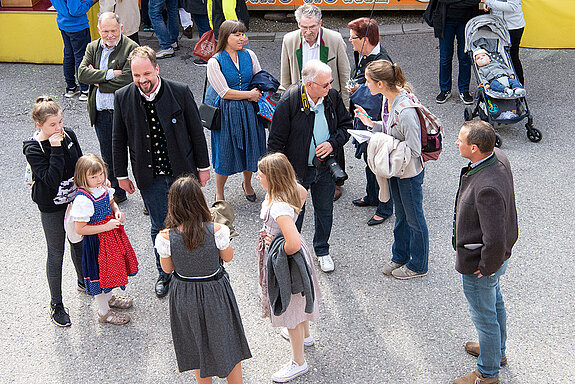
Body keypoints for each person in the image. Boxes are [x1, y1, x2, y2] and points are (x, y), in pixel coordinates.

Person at [112, 45, 211, 298]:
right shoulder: (123, 97)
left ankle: (192, 267)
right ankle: (164, 273)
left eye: (146, 74)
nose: (142, 80)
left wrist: (203, 167)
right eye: (136, 76)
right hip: (150, 176)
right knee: (160, 225)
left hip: (182, 173)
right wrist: (121, 175)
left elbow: (197, 132)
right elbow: (117, 138)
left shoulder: (180, 91)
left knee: (190, 220)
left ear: (157, 68)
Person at [155, 176, 251, 383]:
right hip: (215, 291)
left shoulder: (164, 236)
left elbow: (167, 268)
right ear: (200, 201)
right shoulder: (218, 230)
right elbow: (228, 257)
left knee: (196, 346)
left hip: (185, 294)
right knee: (228, 342)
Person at [268, 60, 351, 273]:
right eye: (325, 85)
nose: (330, 88)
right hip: (296, 173)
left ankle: (322, 251)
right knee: (295, 215)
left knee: (325, 211)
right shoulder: (290, 101)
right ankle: (293, 254)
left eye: (330, 83)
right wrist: (279, 177)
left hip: (324, 169)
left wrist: (332, 143)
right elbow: (275, 142)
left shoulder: (331, 97)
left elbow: (346, 126)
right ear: (310, 85)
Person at [453, 120, 518, 384]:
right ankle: (496, 351)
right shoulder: (497, 156)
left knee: (485, 316)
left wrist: (486, 266)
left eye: (461, 140)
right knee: (495, 302)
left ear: (476, 148)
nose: (457, 143)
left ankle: (488, 373)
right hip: (496, 259)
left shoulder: (487, 186)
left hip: (483, 263)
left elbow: (494, 236)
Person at [354, 60, 429, 279]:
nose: (365, 85)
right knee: (401, 217)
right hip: (396, 168)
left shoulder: (405, 111)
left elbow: (415, 149)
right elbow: (389, 130)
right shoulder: (390, 100)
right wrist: (371, 125)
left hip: (408, 172)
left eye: (368, 81)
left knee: (414, 219)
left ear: (380, 83)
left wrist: (382, 141)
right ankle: (400, 256)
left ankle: (418, 265)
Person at [256, 153, 320, 383]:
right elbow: (301, 194)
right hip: (297, 254)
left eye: (261, 175)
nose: (257, 177)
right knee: (299, 299)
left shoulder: (278, 208)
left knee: (291, 306)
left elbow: (291, 243)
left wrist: (276, 245)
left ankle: (298, 362)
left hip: (287, 261)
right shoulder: (294, 190)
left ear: (273, 178)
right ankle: (306, 336)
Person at [23, 97, 85, 327]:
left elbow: (79, 164)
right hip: (51, 206)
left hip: (75, 202)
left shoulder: (68, 135)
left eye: (60, 122)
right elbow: (50, 179)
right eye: (52, 125)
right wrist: (56, 148)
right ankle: (56, 304)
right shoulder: (33, 147)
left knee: (78, 243)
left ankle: (83, 281)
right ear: (40, 125)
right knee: (56, 252)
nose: (59, 128)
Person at [280, 4, 351, 201]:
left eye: (312, 27)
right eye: (304, 27)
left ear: (320, 23)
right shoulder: (289, 40)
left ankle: (336, 181)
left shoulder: (334, 39)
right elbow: (286, 76)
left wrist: (345, 103)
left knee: (332, 138)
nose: (308, 32)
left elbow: (344, 74)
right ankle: (303, 176)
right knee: (302, 138)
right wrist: (286, 103)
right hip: (301, 98)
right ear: (298, 24)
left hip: (329, 98)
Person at [78, 12, 139, 206]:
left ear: (121, 28)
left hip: (126, 113)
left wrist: (99, 82)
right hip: (102, 114)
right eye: (105, 31)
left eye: (113, 30)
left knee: (138, 153)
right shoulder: (92, 47)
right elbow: (82, 74)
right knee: (108, 155)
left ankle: (148, 195)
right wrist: (111, 74)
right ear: (99, 30)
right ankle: (117, 193)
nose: (110, 35)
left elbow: (129, 80)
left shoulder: (132, 48)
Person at [70, 154, 138, 325]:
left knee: (111, 271)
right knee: (100, 277)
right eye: (93, 177)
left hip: (110, 238)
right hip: (96, 243)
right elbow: (80, 229)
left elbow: (112, 202)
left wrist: (116, 211)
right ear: (82, 177)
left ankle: (109, 298)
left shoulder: (102, 188)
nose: (99, 179)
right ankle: (103, 312)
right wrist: (106, 227)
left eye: (101, 174)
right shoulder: (83, 199)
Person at [206, 20, 266, 202]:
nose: (242, 38)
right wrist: (250, 94)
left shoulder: (250, 55)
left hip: (249, 112)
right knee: (224, 152)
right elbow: (224, 92)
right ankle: (219, 192)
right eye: (237, 35)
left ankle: (247, 184)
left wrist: (261, 89)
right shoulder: (214, 62)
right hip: (227, 112)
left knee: (251, 149)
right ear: (226, 37)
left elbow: (259, 77)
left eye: (243, 34)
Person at [347, 17, 394, 226]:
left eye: (353, 38)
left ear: (365, 39)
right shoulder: (362, 53)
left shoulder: (383, 62)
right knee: (369, 160)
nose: (350, 41)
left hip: (377, 120)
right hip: (364, 118)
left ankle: (385, 207)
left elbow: (379, 97)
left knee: (380, 164)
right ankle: (372, 195)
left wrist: (359, 91)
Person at [428, 0, 481, 104]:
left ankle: (464, 90)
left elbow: (475, 1)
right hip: (445, 21)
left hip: (467, 21)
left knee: (465, 57)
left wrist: (451, 2)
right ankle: (445, 89)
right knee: (445, 58)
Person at [50, 0, 96, 101]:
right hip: (77, 26)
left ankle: (70, 87)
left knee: (68, 55)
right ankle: (85, 89)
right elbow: (75, 10)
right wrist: (89, 2)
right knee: (81, 57)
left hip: (63, 23)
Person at [483, 0, 526, 85]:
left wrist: (489, 2)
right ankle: (503, 85)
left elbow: (512, 7)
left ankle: (519, 85)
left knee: (512, 57)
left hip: (513, 27)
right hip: (497, 26)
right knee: (498, 57)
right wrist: (487, 4)